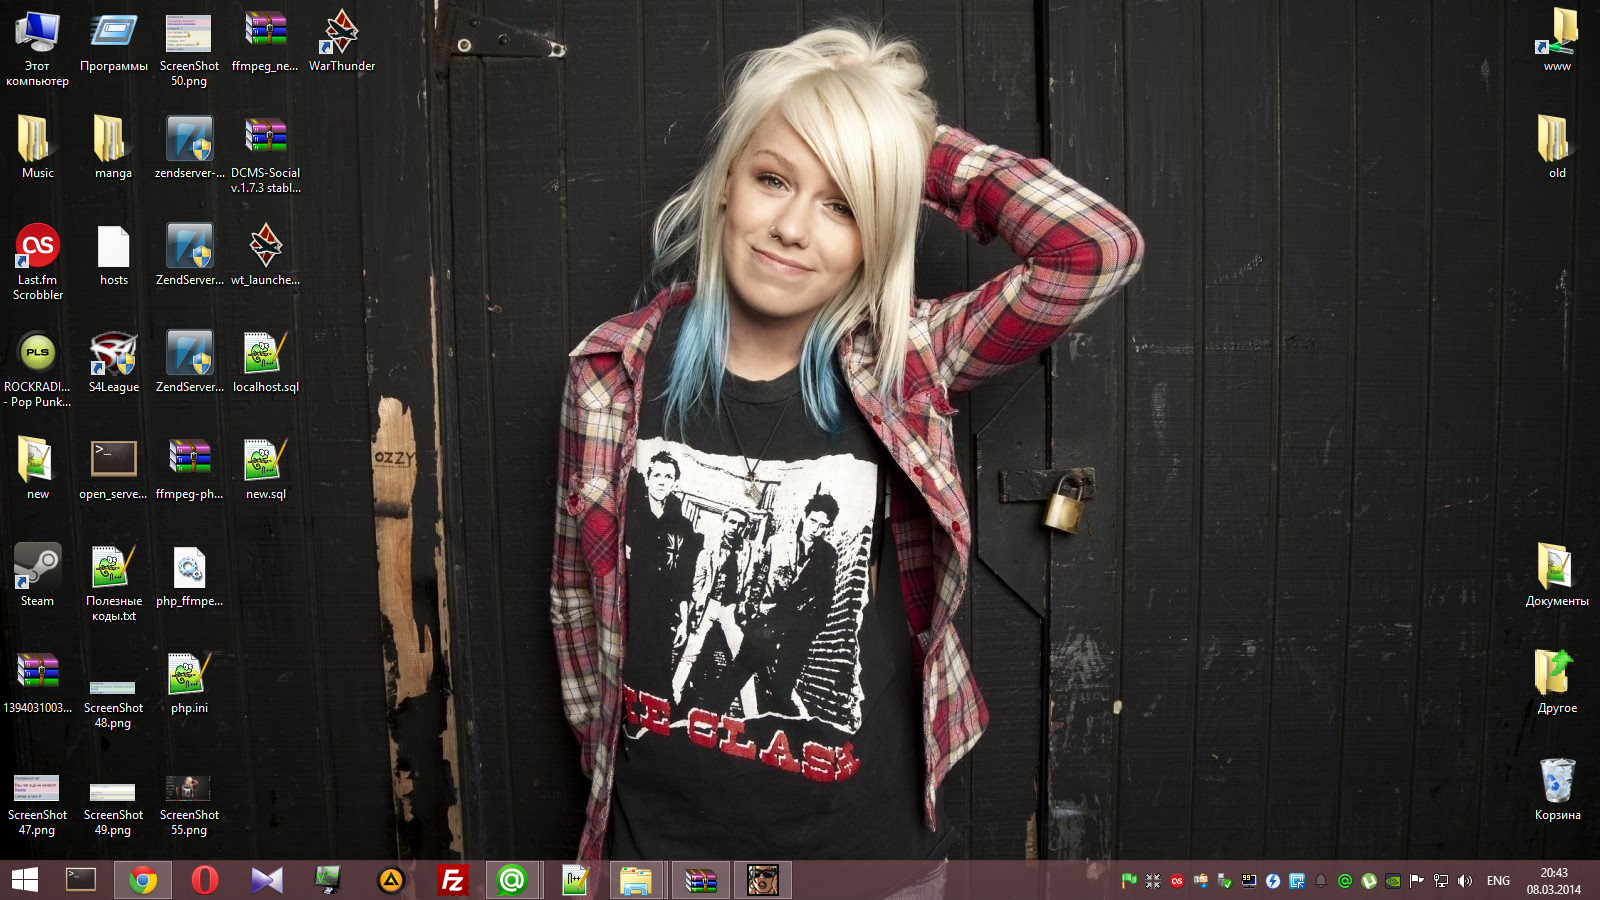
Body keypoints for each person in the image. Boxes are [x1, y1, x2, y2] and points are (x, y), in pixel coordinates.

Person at [550, 23, 1143, 867]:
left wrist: (902, 141)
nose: (793, 227)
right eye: (772, 179)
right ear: (724, 188)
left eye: (845, 206)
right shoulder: (610, 376)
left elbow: (1095, 248)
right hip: (660, 851)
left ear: (879, 232)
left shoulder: (906, 362)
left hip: (868, 855)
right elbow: (578, 607)